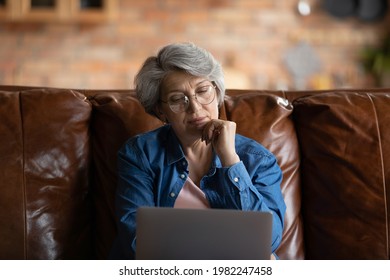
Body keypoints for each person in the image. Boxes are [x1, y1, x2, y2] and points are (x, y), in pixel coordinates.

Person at [109, 42, 286, 259]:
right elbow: (137, 241)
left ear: (217, 91)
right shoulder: (140, 154)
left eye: (202, 91)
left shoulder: (257, 159)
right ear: (160, 110)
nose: (195, 108)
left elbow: (269, 240)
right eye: (177, 99)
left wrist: (230, 161)